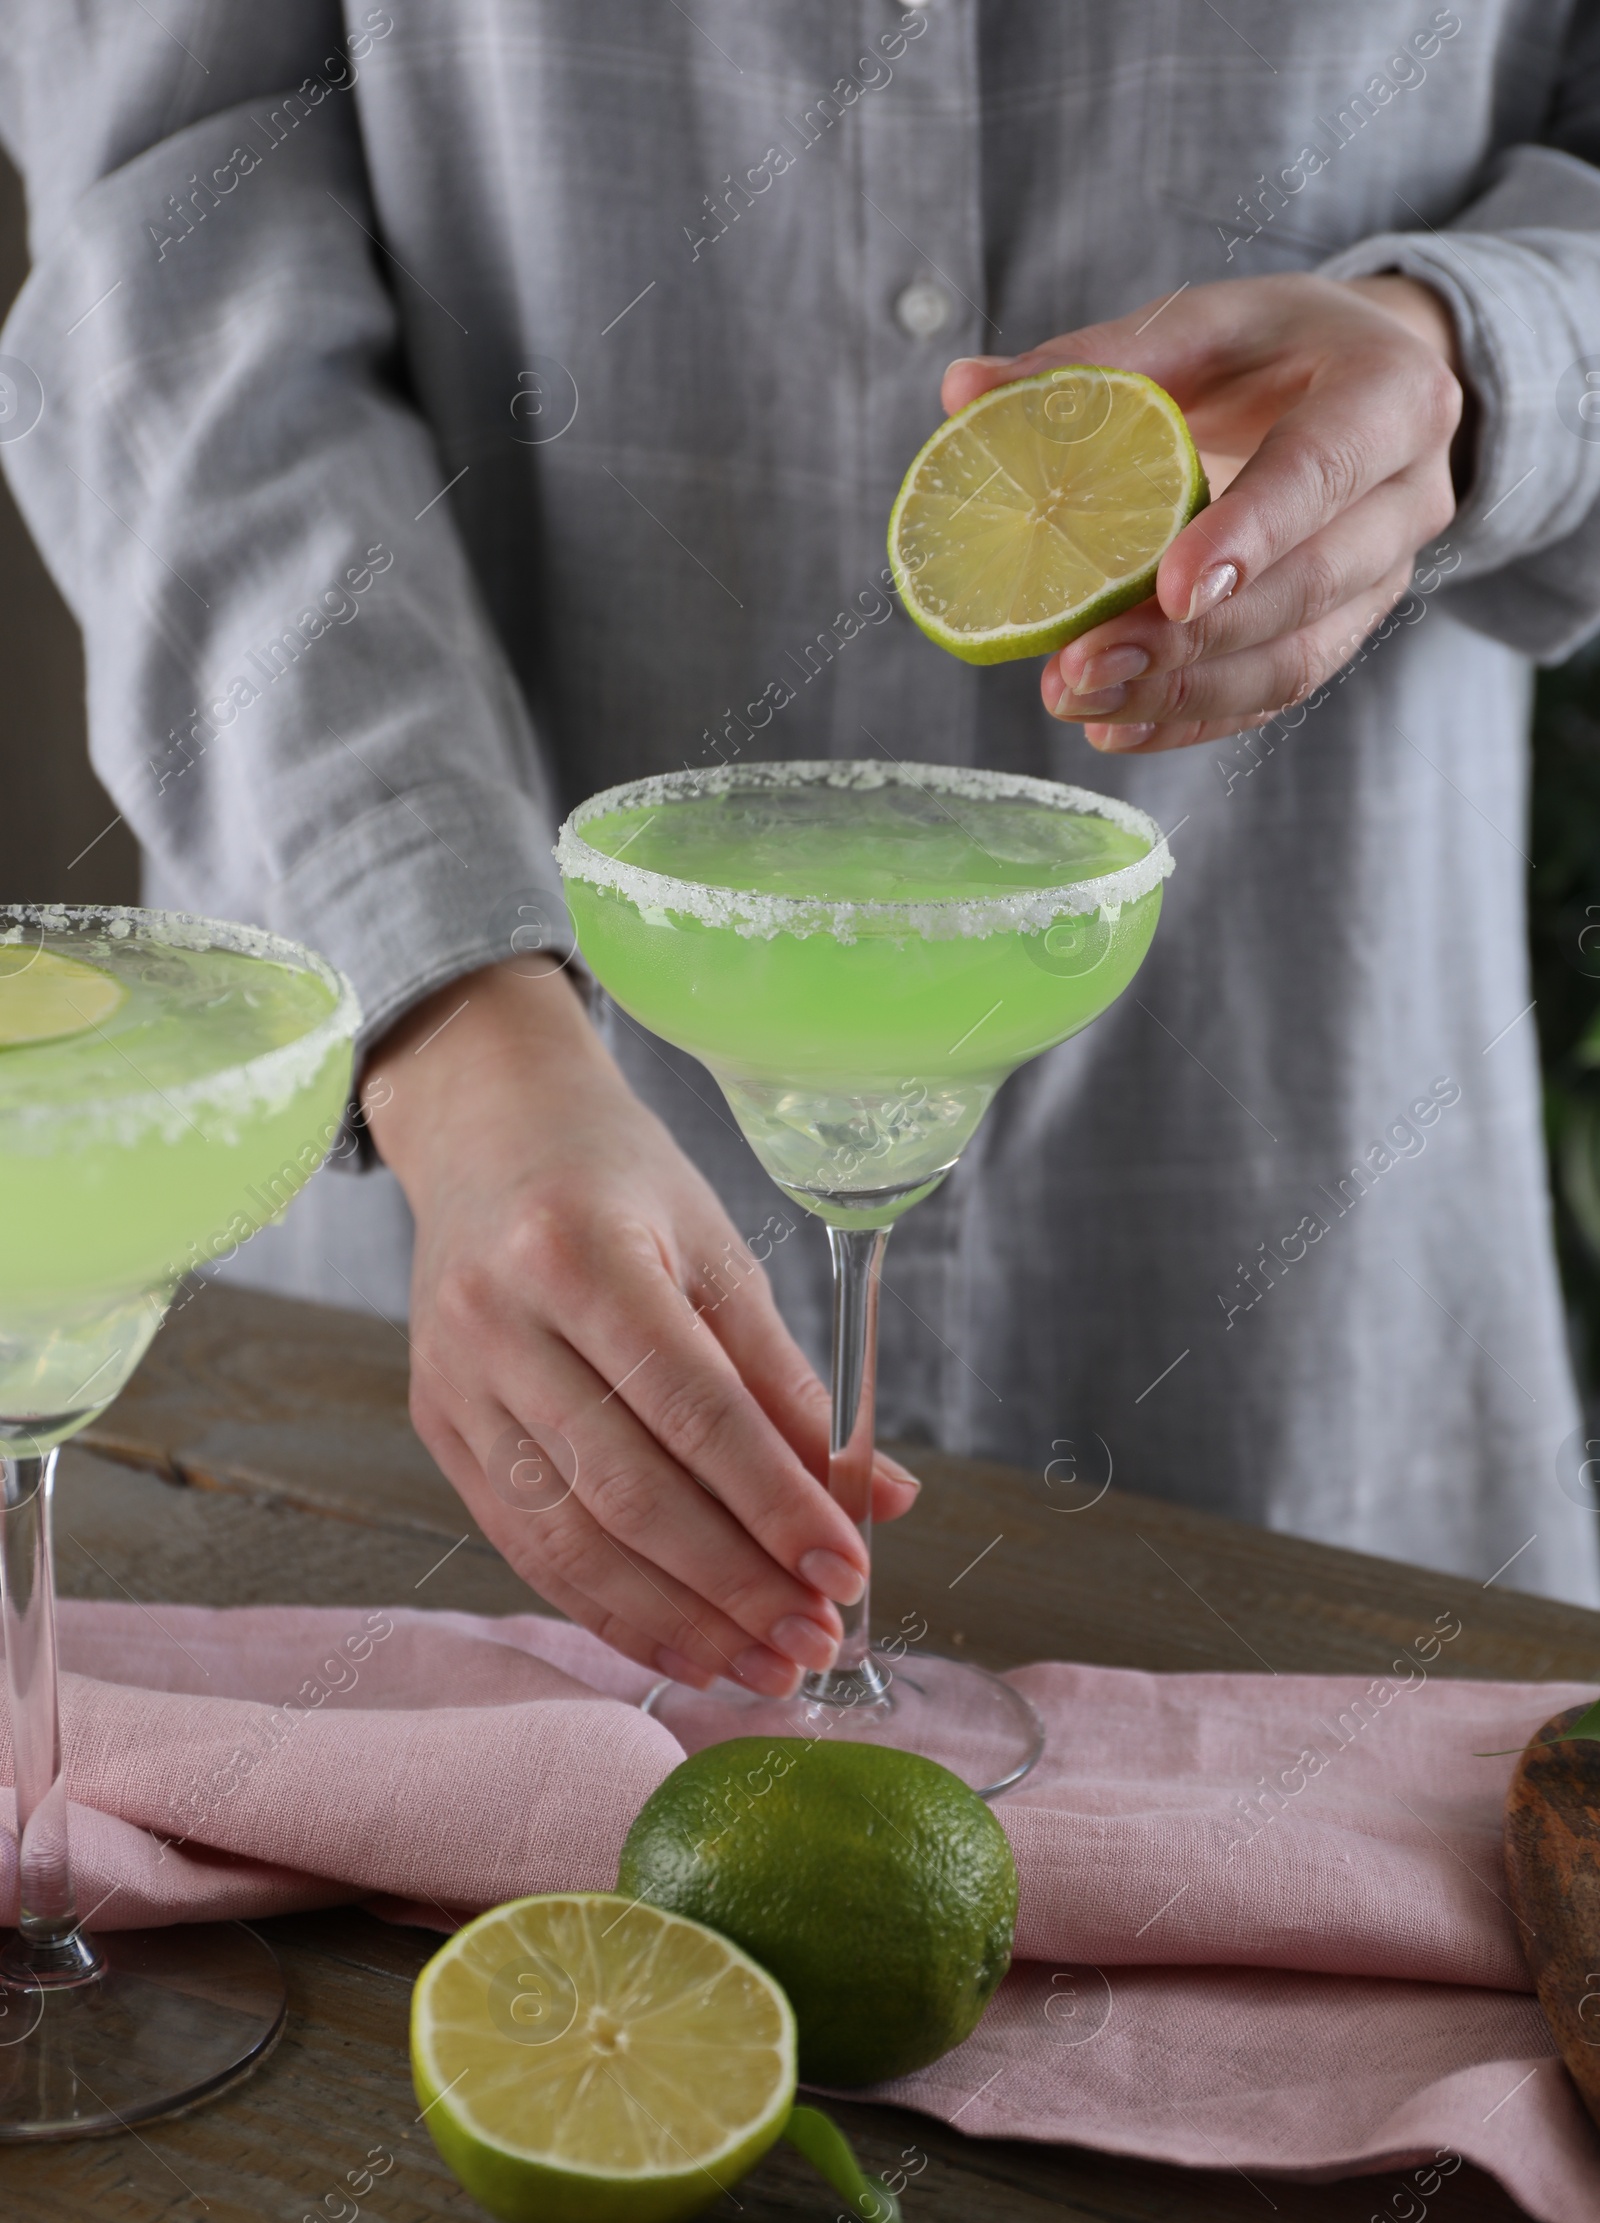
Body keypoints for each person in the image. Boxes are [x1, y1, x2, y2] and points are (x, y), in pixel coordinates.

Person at [3, 3, 1599, 1701]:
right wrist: (460, 1044)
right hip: (469, 1206)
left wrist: (1470, 354)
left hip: (1301, 1251)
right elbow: (163, 272)